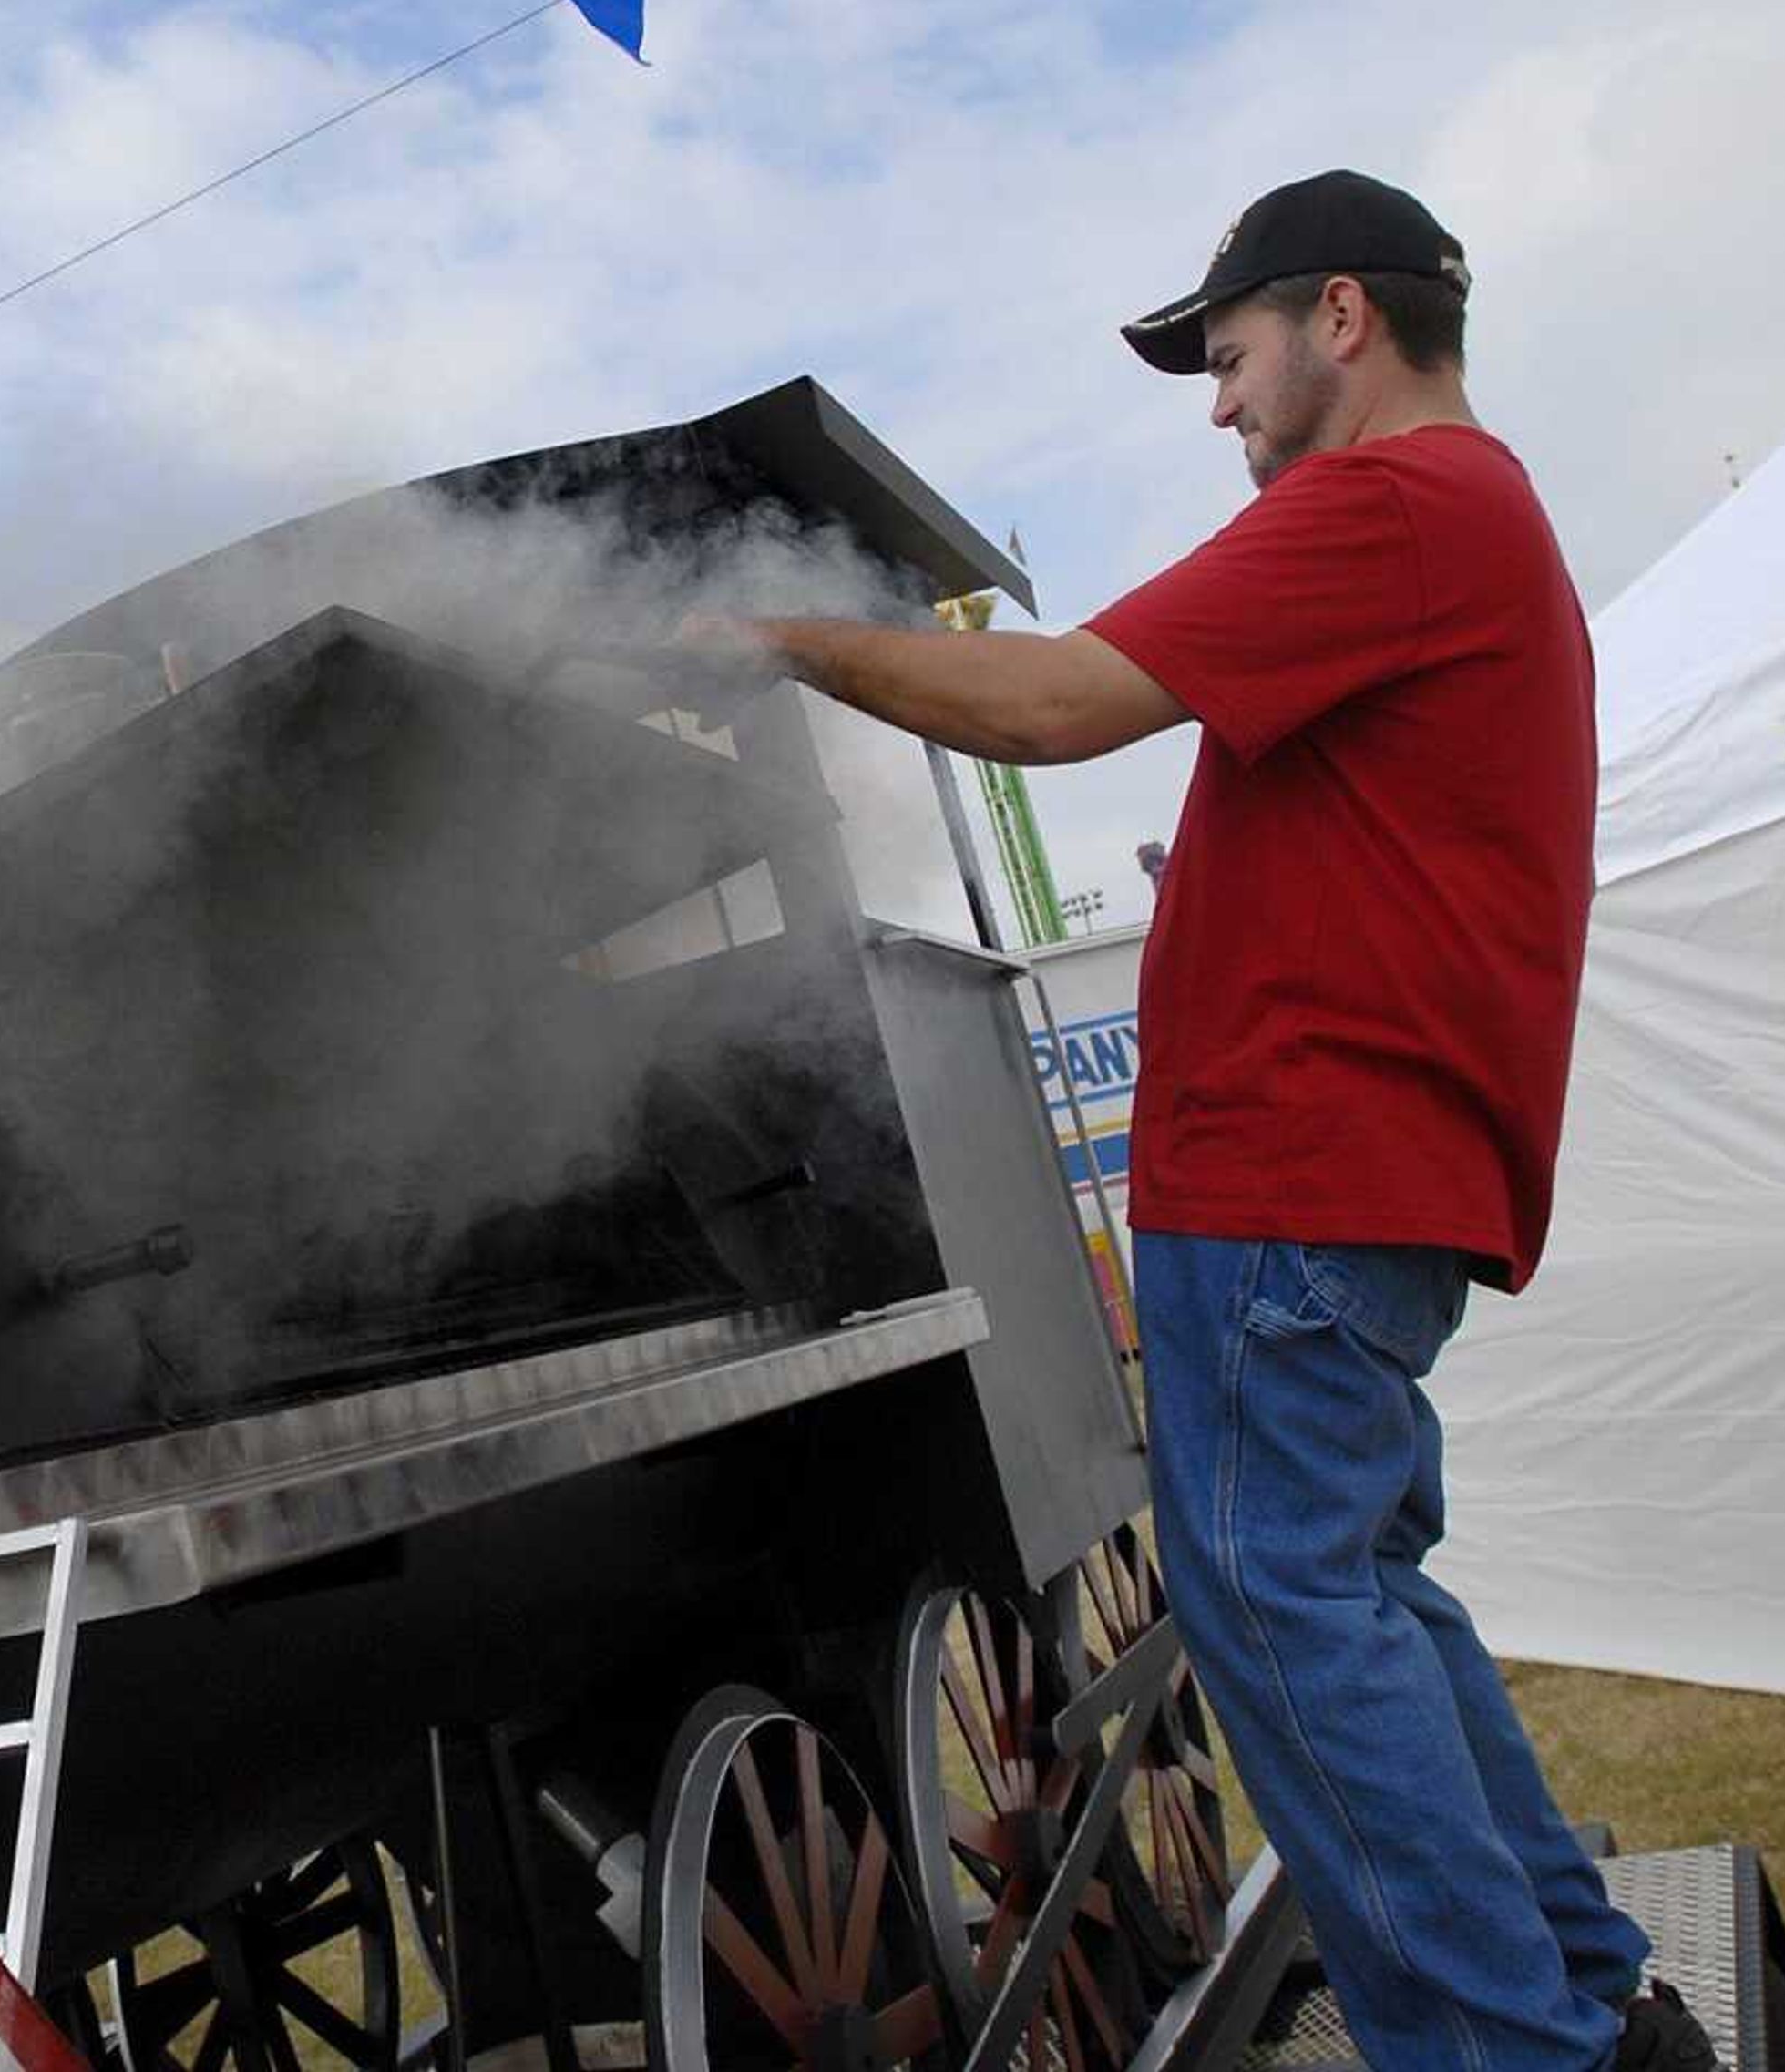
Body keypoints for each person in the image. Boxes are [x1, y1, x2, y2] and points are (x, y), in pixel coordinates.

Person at [680, 171, 1712, 2072]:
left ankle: (1513, 2050)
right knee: (1360, 1592)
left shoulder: (1392, 504)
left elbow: (1062, 700)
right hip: (1366, 1180)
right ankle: (1594, 2000)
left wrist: (785, 645)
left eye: (1227, 357)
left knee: (1283, 1622)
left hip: (1299, 1173)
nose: (1217, 404)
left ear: (1341, 318)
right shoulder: (1476, 522)